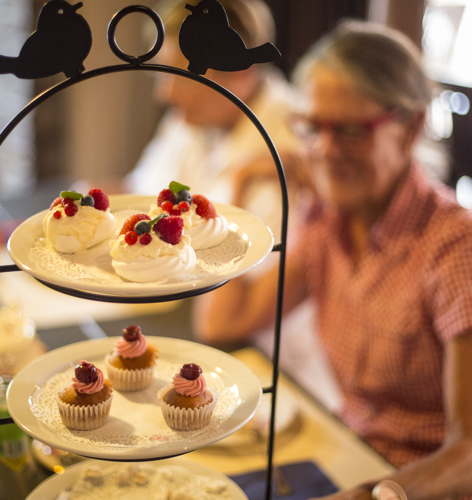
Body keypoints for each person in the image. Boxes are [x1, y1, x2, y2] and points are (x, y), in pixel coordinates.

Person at [195, 19, 472, 500]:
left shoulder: (454, 247)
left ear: (411, 128)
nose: (324, 150)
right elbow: (222, 321)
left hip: (414, 485)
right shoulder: (327, 221)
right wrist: (238, 186)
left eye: (349, 130)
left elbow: (468, 451)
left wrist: (375, 494)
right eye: (311, 128)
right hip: (347, 451)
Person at [125, 0, 306, 236]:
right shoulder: (189, 117)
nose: (165, 94)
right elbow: (138, 191)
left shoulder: (293, 141)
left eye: (182, 78)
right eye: (162, 75)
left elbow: (247, 260)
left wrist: (242, 177)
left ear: (239, 70)